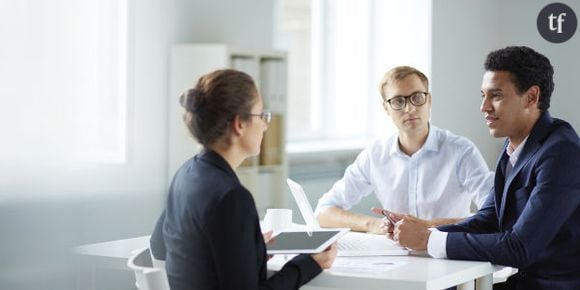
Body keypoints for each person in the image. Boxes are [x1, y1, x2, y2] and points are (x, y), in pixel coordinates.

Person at [393, 46, 580, 290]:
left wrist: (428, 239)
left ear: (531, 97)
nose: (484, 107)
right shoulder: (515, 144)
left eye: (496, 96)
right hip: (519, 281)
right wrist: (418, 232)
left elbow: (519, 247)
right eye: (483, 95)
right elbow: (488, 219)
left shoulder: (562, 151)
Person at [150, 69, 337, 290]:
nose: (266, 125)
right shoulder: (232, 197)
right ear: (240, 124)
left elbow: (160, 246)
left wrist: (248, 255)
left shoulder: (186, 175)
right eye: (262, 116)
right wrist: (310, 264)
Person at [315, 66, 494, 234]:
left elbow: (494, 215)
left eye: (417, 97)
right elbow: (324, 212)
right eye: (398, 101)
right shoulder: (375, 155)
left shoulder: (461, 151)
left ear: (429, 101)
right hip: (396, 256)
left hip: (448, 252)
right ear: (386, 108)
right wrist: (373, 224)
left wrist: (427, 226)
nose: (410, 108)